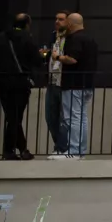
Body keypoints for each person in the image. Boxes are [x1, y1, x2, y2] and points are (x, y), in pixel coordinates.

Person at [0, 14, 43, 160]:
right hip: (20, 83)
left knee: (12, 116)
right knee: (15, 117)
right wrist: (44, 55)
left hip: (2, 83)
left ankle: (22, 149)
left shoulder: (0, 37)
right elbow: (37, 61)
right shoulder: (27, 38)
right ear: (27, 24)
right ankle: (10, 151)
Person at [59, 12, 98, 158]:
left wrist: (57, 57)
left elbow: (72, 59)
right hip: (87, 84)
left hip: (73, 84)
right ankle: (80, 150)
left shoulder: (74, 39)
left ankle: (74, 150)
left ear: (70, 24)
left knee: (72, 117)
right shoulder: (91, 39)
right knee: (81, 118)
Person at [39, 11, 68, 154]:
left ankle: (62, 148)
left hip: (63, 82)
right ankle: (60, 146)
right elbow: (48, 53)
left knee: (64, 118)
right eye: (56, 19)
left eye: (61, 19)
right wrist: (44, 54)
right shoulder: (52, 36)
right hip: (51, 81)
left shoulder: (70, 38)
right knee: (50, 117)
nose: (57, 21)